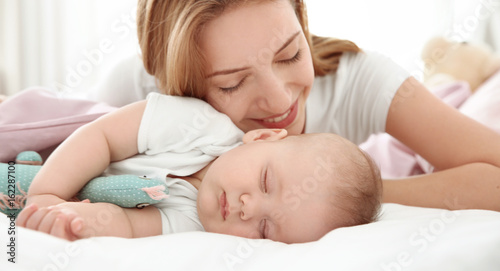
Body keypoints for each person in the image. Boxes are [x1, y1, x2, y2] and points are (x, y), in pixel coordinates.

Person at [89, 0, 500, 211]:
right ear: (175, 82)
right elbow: (38, 173)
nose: (279, 99)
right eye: (232, 84)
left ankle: (454, 66)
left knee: (458, 83)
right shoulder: (134, 94)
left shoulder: (358, 80)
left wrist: (339, 195)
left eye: (289, 55)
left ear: (302, 20)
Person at [17, 93, 382, 243]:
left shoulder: (196, 228)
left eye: (265, 228)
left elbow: (127, 224)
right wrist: (47, 193)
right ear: (263, 138)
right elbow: (101, 137)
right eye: (265, 181)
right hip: (52, 141)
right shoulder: (201, 125)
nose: (247, 207)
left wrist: (77, 223)